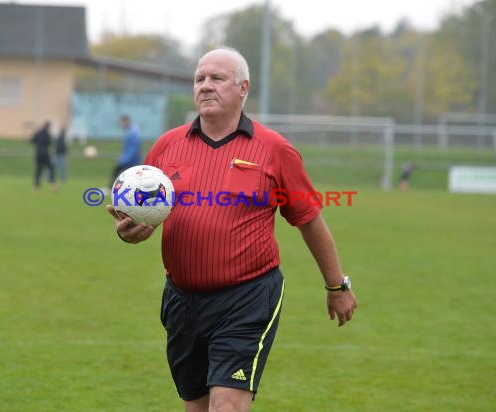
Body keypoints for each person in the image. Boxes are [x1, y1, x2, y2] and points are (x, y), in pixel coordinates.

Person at [106, 47, 357, 411]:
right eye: (199, 79)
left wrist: (337, 286)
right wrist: (127, 231)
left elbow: (309, 219)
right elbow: (139, 214)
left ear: (243, 88)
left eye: (217, 78)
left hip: (247, 298)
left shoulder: (274, 150)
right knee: (196, 406)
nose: (205, 86)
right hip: (182, 300)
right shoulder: (166, 147)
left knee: (226, 406)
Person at [108, 115, 142, 188]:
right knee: (129, 175)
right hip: (131, 159)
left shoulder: (133, 132)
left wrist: (124, 159)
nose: (121, 125)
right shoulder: (131, 130)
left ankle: (112, 188)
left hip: (131, 160)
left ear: (126, 121)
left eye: (122, 123)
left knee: (118, 171)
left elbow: (133, 148)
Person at [31, 120, 57, 192]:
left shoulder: (37, 133)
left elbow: (32, 140)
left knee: (38, 170)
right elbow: (50, 143)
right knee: (51, 168)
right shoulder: (47, 134)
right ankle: (53, 185)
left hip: (38, 154)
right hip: (45, 154)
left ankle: (36, 187)